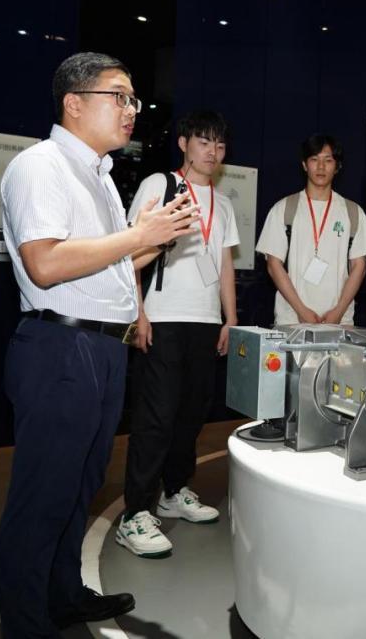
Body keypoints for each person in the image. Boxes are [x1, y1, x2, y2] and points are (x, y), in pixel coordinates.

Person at [0, 52, 198, 636]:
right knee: (42, 495)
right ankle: (26, 622)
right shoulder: (41, 165)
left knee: (77, 487)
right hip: (61, 347)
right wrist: (138, 234)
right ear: (74, 103)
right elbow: (45, 264)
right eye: (120, 96)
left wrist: (157, 239)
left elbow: (108, 271)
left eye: (135, 99)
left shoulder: (101, 176)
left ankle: (62, 596)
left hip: (103, 349)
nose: (132, 109)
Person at [116, 110, 240, 558]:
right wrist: (139, 313)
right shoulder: (159, 184)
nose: (212, 152)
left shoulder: (223, 204)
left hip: (205, 323)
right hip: (163, 318)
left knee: (191, 414)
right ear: (184, 143)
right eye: (204, 142)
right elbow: (131, 249)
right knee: (156, 416)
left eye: (219, 145)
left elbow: (224, 264)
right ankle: (135, 512)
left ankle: (174, 491)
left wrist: (229, 319)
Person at [256, 134, 366, 325]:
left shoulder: (353, 212)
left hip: (339, 322)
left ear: (337, 166)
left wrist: (338, 312)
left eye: (328, 160)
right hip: (291, 320)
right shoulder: (284, 209)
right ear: (304, 165)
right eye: (314, 159)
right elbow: (273, 265)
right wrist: (301, 310)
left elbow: (359, 267)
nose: (321, 167)